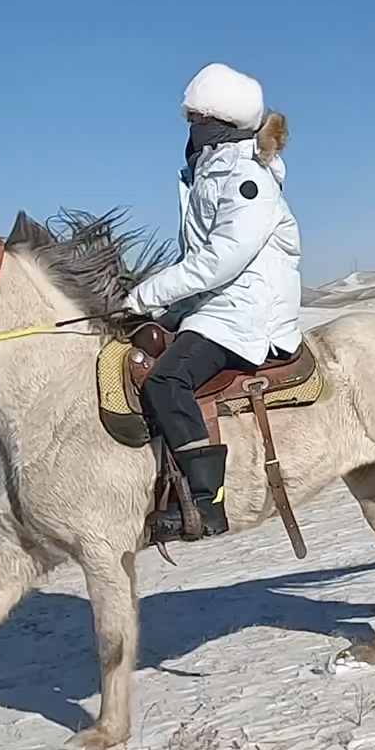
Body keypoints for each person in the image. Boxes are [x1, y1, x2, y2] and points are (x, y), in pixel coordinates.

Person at [123, 62, 303, 542]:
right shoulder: (208, 176)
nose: (192, 129)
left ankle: (207, 501)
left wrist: (147, 293)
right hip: (218, 308)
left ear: (220, 126)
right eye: (190, 120)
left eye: (197, 121)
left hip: (246, 313)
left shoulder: (249, 180)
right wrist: (165, 313)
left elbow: (222, 260)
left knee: (167, 380)